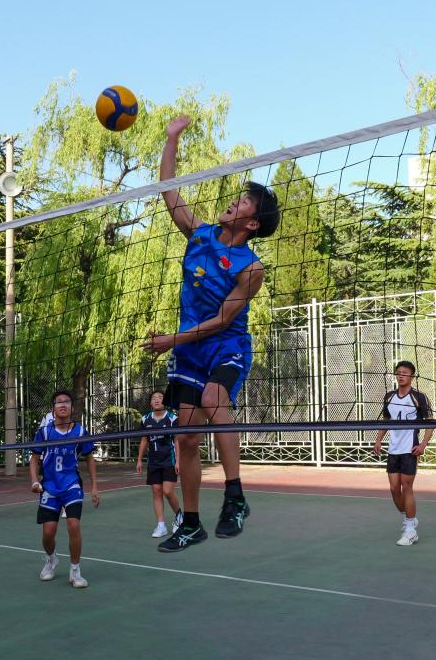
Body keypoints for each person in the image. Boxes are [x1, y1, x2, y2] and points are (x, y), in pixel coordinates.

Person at [142, 115, 280, 553]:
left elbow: (222, 321)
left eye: (245, 203)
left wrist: (170, 341)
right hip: (189, 352)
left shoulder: (251, 268)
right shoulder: (199, 235)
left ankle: (235, 496)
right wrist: (171, 139)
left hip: (225, 345)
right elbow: (169, 190)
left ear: (252, 224)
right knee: (185, 438)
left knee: (213, 398)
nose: (235, 202)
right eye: (239, 197)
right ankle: (191, 522)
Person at [29, 390, 99, 589]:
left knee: (73, 525)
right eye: (59, 402)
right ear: (53, 408)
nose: (63, 405)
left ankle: (75, 571)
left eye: (67, 402)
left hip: (71, 485)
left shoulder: (80, 432)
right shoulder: (45, 432)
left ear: (72, 407)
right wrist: (34, 481)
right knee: (48, 532)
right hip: (49, 486)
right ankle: (51, 558)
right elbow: (34, 459)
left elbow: (90, 458)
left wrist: (94, 487)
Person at [372, 361, 434, 546]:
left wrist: (423, 444)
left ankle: (410, 530)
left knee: (407, 487)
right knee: (393, 489)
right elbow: (386, 420)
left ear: (412, 376)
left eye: (405, 373)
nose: (401, 375)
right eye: (398, 373)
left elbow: (430, 423)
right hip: (393, 450)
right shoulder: (389, 397)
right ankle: (410, 518)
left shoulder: (419, 397)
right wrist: (378, 440)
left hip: (410, 449)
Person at [135, 390, 181, 537]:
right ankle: (161, 525)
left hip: (169, 460)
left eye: (160, 398)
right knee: (156, 491)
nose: (157, 400)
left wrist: (178, 461)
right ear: (150, 402)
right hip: (153, 461)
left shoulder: (173, 419)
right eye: (154, 398)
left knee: (167, 491)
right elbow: (144, 440)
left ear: (165, 401)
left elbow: (177, 441)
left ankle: (179, 517)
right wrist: (139, 460)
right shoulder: (145, 419)